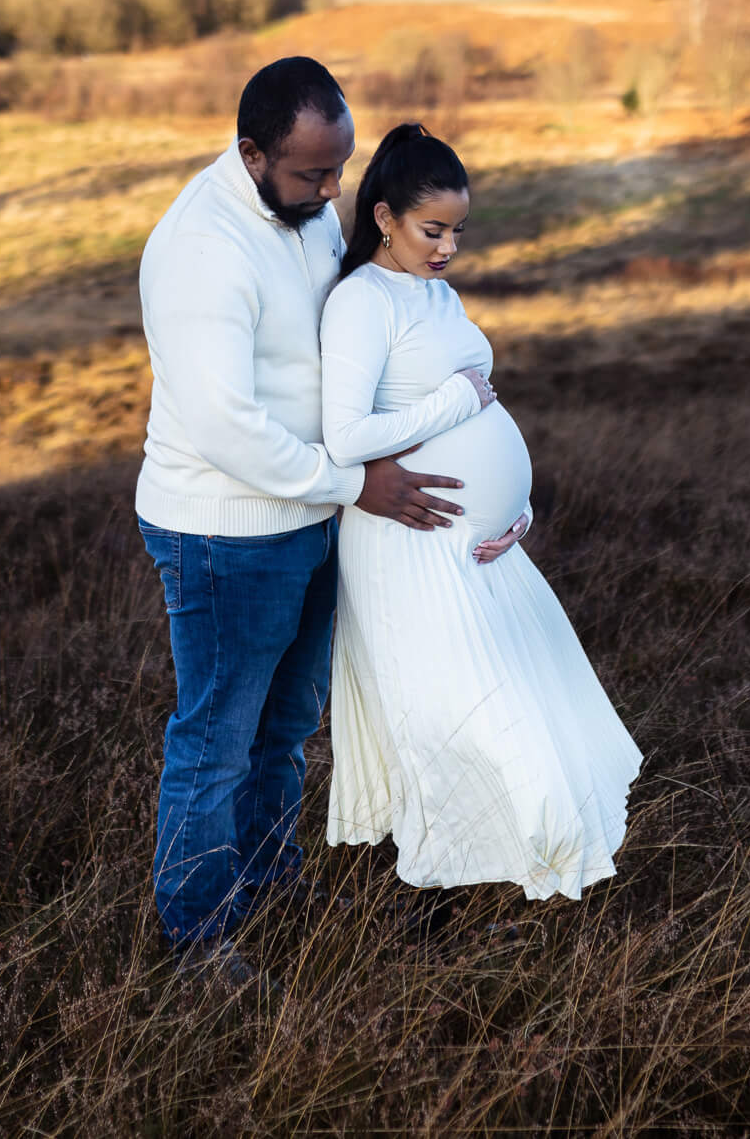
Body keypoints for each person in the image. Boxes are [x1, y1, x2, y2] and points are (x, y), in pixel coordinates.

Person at [134, 59, 465, 961]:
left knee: (285, 729)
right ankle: (200, 939)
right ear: (250, 154)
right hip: (223, 531)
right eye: (311, 174)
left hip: (309, 517)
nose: (332, 193)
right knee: (216, 741)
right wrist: (357, 484)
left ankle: (271, 886)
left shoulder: (309, 215)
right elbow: (226, 427)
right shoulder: (203, 249)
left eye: (340, 171)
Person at [322, 123, 641, 901]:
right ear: (387, 216)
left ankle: (480, 897)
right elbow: (346, 436)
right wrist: (452, 400)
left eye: (458, 231)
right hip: (409, 541)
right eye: (433, 230)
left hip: (481, 549)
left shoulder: (437, 293)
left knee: (526, 708)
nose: (448, 248)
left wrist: (518, 503)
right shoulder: (362, 301)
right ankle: (425, 905)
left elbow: (481, 421)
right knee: (461, 722)